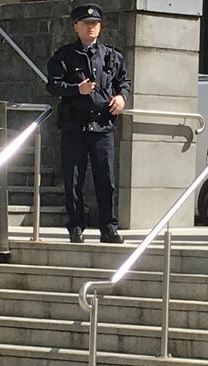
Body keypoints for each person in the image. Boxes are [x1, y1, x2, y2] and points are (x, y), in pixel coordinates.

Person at [46, 3, 130, 244]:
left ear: (100, 27)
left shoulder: (112, 56)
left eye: (94, 24)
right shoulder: (65, 55)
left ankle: (108, 228)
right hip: (75, 127)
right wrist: (76, 89)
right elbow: (52, 85)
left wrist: (121, 98)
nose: (91, 28)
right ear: (76, 27)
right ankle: (76, 226)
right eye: (85, 24)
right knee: (74, 180)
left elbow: (124, 81)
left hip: (102, 127)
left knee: (106, 179)